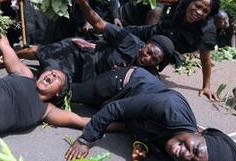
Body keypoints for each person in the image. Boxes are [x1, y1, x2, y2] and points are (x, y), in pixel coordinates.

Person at [64, 66, 236, 161]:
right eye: (196, 149)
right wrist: (85, 140)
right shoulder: (170, 108)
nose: (186, 155)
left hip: (133, 114)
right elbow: (115, 108)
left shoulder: (178, 151)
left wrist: (142, 146)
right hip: (124, 84)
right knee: (67, 93)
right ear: (200, 132)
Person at [16, 0, 182, 83]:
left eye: (154, 60)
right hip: (80, 54)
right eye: (149, 52)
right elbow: (98, 24)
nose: (147, 59)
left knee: (39, 79)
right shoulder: (129, 40)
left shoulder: (149, 75)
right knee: (42, 52)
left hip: (84, 77)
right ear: (145, 44)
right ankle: (9, 55)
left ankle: (16, 68)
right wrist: (82, 2)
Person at [125, 0, 222, 101]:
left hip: (164, 50)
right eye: (197, 6)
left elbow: (205, 60)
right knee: (123, 34)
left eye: (205, 11)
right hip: (154, 32)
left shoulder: (206, 31)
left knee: (140, 70)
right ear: (191, 0)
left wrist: (206, 86)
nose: (199, 12)